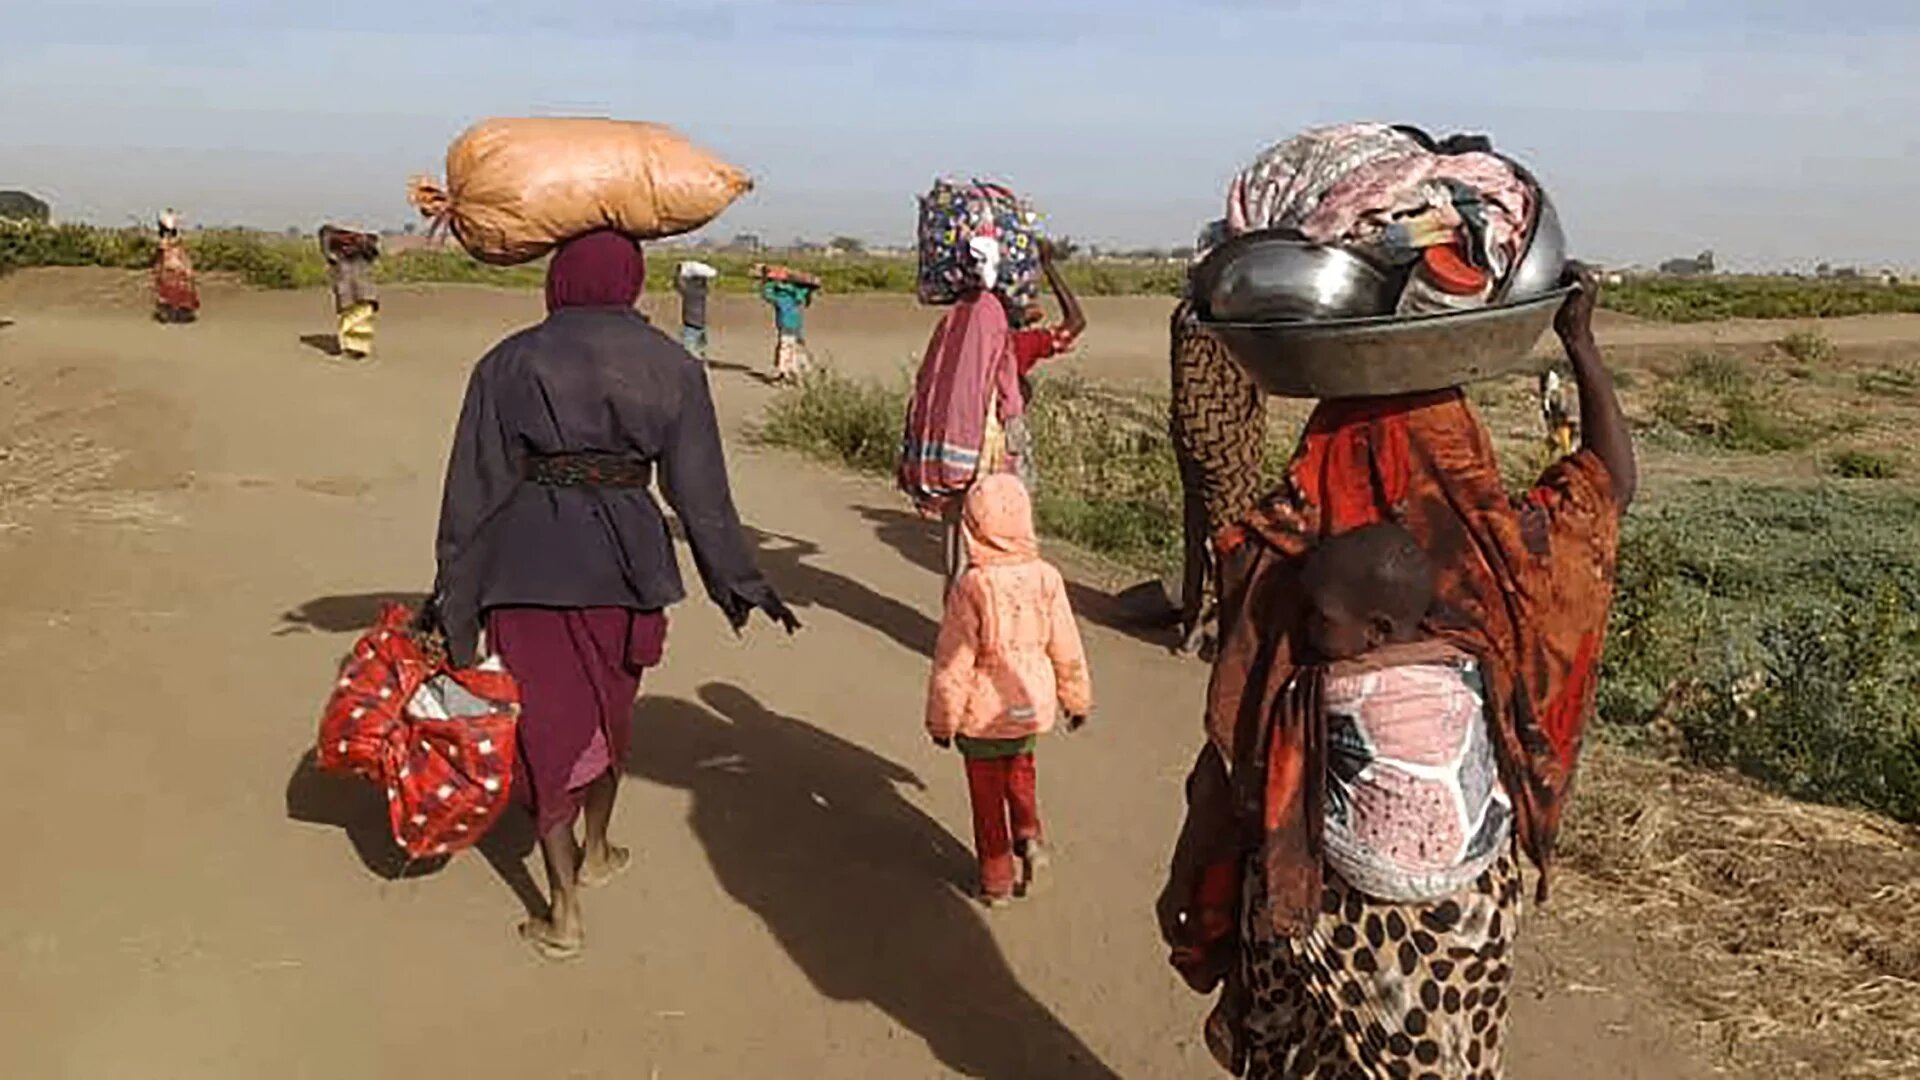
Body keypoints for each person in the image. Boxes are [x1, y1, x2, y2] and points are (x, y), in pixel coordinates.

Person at [1157, 270, 1637, 1078]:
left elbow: (1231, 751)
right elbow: (1608, 485)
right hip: (1465, 918)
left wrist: (1206, 327)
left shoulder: (1289, 563)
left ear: (1317, 454)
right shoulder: (1504, 568)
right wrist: (1579, 343)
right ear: (1463, 450)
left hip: (1309, 898)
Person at [430, 229, 800, 961]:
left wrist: (453, 598)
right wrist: (739, 579)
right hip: (626, 567)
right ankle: (593, 854)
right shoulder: (669, 363)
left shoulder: (508, 361)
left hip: (526, 563)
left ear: (559, 278)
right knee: (609, 712)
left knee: (544, 728)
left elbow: (472, 493)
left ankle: (564, 901)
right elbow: (702, 493)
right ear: (631, 279)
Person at [925, 474, 1092, 907]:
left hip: (981, 718)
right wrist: (1076, 699)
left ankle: (996, 879)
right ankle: (1030, 839)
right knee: (1021, 772)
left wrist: (942, 720)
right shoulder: (1047, 578)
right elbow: (1066, 645)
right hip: (1030, 707)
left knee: (986, 798)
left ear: (971, 530)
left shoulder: (971, 588)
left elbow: (953, 664)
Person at [898, 236, 1028, 586]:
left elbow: (931, 372)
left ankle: (952, 612)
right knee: (977, 528)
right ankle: (967, 622)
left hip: (944, 436)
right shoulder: (991, 310)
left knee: (953, 528)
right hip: (978, 434)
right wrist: (1013, 415)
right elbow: (1003, 368)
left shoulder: (956, 311)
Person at [319, 225, 380, 359]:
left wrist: (362, 243)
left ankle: (360, 347)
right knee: (348, 312)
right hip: (343, 273)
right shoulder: (329, 231)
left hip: (362, 275)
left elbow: (374, 253)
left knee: (362, 311)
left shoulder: (367, 233)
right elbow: (327, 252)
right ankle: (348, 346)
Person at [759, 269, 817, 383]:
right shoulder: (793, 298)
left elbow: (766, 293)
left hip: (788, 327)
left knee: (788, 350)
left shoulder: (783, 298)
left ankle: (787, 373)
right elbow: (804, 293)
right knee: (790, 350)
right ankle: (787, 373)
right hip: (791, 327)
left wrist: (769, 282)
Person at [152, 210, 199, 324]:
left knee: (177, 290)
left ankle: (178, 313)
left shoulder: (170, 241)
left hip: (175, 266)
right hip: (172, 266)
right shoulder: (168, 241)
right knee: (171, 290)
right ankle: (173, 313)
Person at [675, 260, 717, 360]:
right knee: (697, 352)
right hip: (698, 325)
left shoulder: (690, 291)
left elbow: (678, 284)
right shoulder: (701, 291)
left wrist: (679, 272)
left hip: (692, 325)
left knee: (691, 353)